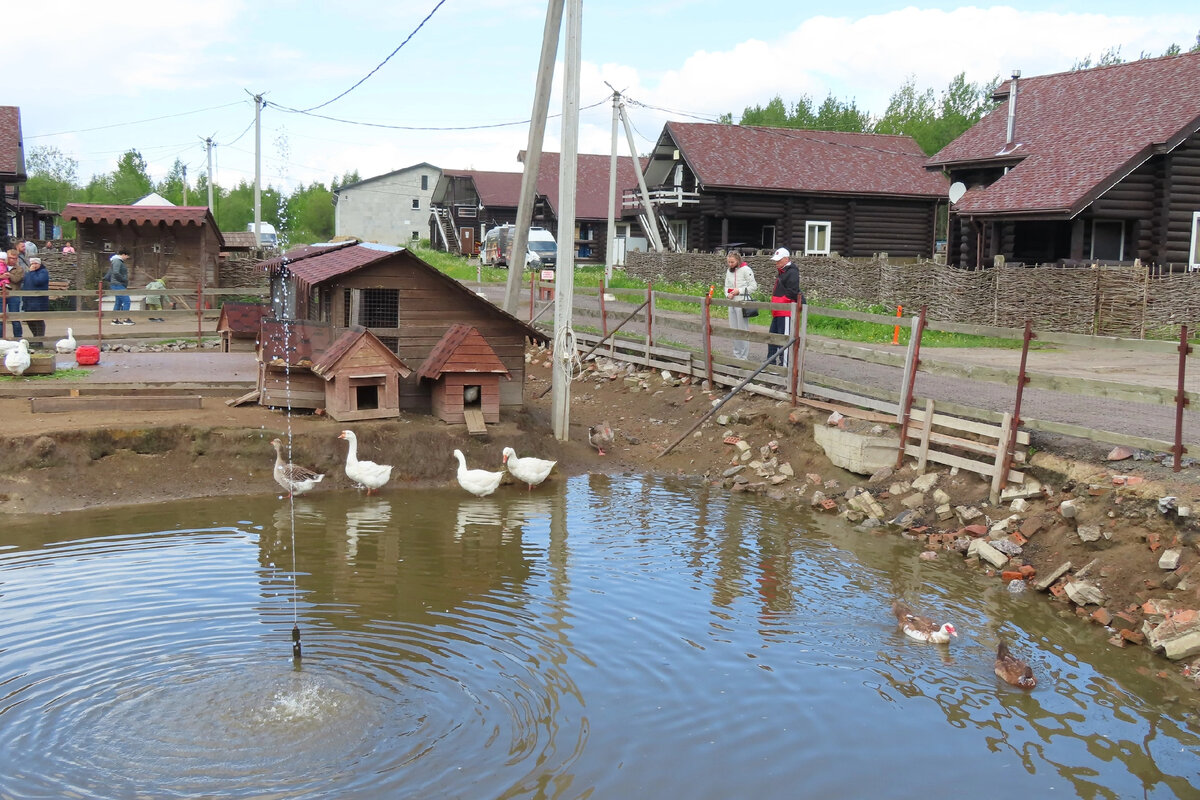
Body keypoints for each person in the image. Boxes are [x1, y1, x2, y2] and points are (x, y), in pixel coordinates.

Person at [766, 247, 801, 366]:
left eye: (779, 260)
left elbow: (793, 291)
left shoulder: (792, 272)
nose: (776, 263)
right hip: (778, 311)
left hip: (785, 312)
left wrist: (780, 302)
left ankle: (784, 367)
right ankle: (771, 363)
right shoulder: (783, 271)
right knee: (772, 338)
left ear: (786, 259)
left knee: (784, 340)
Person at [723, 252, 757, 361]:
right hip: (732, 302)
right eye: (728, 262)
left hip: (742, 303)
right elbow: (726, 286)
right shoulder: (729, 271)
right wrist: (727, 294)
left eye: (732, 262)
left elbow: (753, 286)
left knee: (742, 330)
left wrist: (739, 291)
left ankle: (743, 357)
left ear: (738, 261)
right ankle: (737, 355)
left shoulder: (746, 270)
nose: (730, 264)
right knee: (734, 330)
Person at [22, 257, 50, 346]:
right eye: (32, 263)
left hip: (39, 301)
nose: (33, 265)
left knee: (38, 320)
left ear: (39, 264)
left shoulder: (43, 272)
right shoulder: (29, 273)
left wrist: (32, 272)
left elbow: (38, 281)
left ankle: (39, 340)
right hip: (28, 300)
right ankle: (35, 338)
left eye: (35, 263)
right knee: (29, 320)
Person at [103, 248, 132, 315]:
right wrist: (123, 279)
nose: (127, 258)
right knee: (127, 301)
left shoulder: (116, 261)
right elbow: (116, 272)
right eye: (127, 256)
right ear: (124, 254)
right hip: (118, 284)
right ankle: (125, 318)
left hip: (117, 283)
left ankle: (115, 319)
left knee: (118, 302)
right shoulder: (117, 261)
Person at [4, 249, 22, 338]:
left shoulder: (19, 269)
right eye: (10, 258)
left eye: (14, 258)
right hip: (1, 294)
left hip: (13, 294)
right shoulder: (1, 266)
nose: (12, 260)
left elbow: (16, 280)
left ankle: (18, 338)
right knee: (0, 317)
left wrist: (9, 275)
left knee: (15, 317)